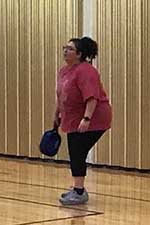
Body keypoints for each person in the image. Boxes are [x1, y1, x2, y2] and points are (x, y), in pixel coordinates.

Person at [54, 37, 112, 205]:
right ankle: (77, 189)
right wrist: (57, 114)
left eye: (70, 49)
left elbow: (92, 98)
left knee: (77, 150)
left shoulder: (87, 71)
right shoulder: (64, 71)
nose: (65, 51)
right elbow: (61, 96)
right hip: (72, 117)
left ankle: (79, 191)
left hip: (94, 118)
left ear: (79, 54)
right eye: (65, 47)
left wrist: (86, 119)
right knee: (75, 150)